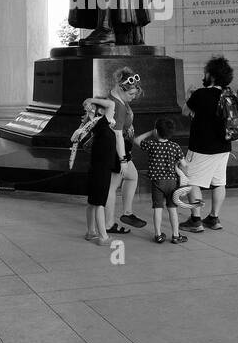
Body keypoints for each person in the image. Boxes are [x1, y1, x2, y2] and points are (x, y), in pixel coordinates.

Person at [182, 56, 235, 232]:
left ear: (211, 75)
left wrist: (189, 95)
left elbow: (185, 111)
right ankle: (214, 218)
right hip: (224, 147)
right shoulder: (230, 95)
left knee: (192, 182)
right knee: (219, 183)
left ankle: (196, 220)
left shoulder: (201, 94)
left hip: (202, 147)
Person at [102, 66, 145, 235]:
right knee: (112, 187)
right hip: (115, 149)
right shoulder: (118, 106)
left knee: (132, 177)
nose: (133, 98)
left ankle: (127, 213)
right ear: (122, 88)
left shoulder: (115, 95)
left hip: (117, 147)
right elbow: (118, 135)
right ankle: (108, 224)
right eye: (131, 94)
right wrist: (122, 160)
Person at [134, 118, 188, 244]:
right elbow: (184, 164)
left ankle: (158, 235)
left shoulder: (152, 145)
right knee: (172, 209)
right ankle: (175, 235)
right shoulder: (175, 146)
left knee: (158, 208)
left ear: (156, 131)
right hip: (172, 183)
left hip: (157, 182)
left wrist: (150, 133)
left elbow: (136, 140)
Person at [77, 98, 119, 246]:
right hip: (102, 170)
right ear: (101, 111)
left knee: (92, 202)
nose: (112, 111)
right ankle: (103, 236)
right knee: (99, 203)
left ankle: (90, 232)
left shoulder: (96, 125)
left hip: (96, 168)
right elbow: (112, 104)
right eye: (108, 109)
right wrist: (91, 100)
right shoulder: (101, 123)